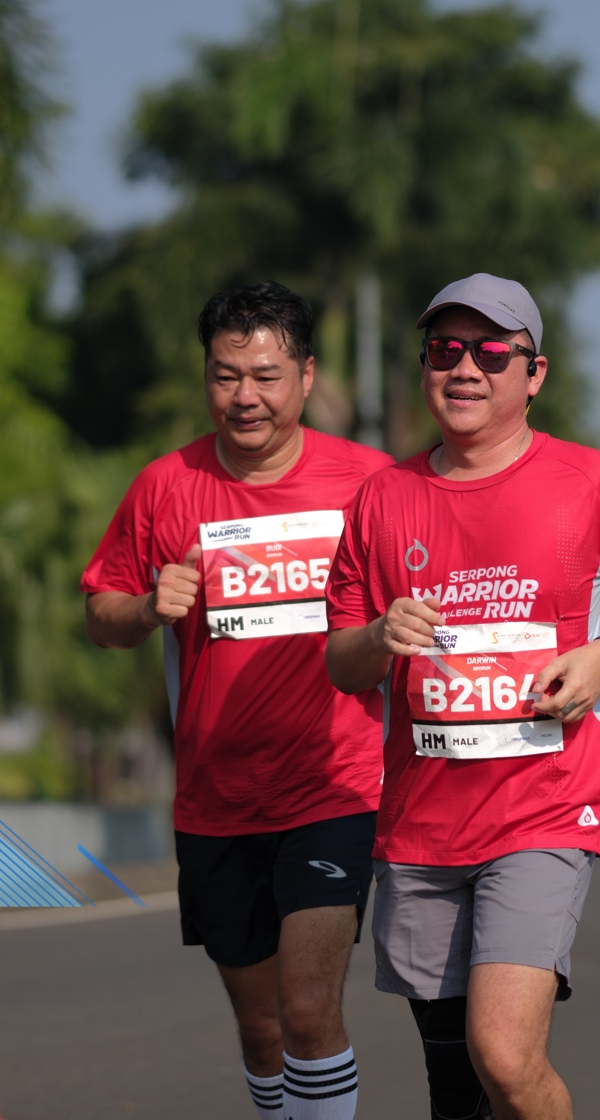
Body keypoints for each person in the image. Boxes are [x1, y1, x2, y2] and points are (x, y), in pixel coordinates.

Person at [324, 273, 600, 1120]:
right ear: (424, 368)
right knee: (454, 1085)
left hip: (545, 805)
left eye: (490, 353)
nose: (464, 368)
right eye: (443, 351)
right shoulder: (382, 498)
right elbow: (341, 664)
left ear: (533, 374)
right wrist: (379, 635)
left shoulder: (591, 482)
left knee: (503, 1056)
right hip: (421, 823)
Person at [82, 282, 393, 1120]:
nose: (244, 397)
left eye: (264, 376)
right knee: (261, 1031)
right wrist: (148, 608)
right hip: (216, 801)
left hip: (335, 787)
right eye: (225, 376)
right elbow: (101, 614)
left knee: (307, 1009)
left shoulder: (369, 482)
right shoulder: (166, 486)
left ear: (306, 375)